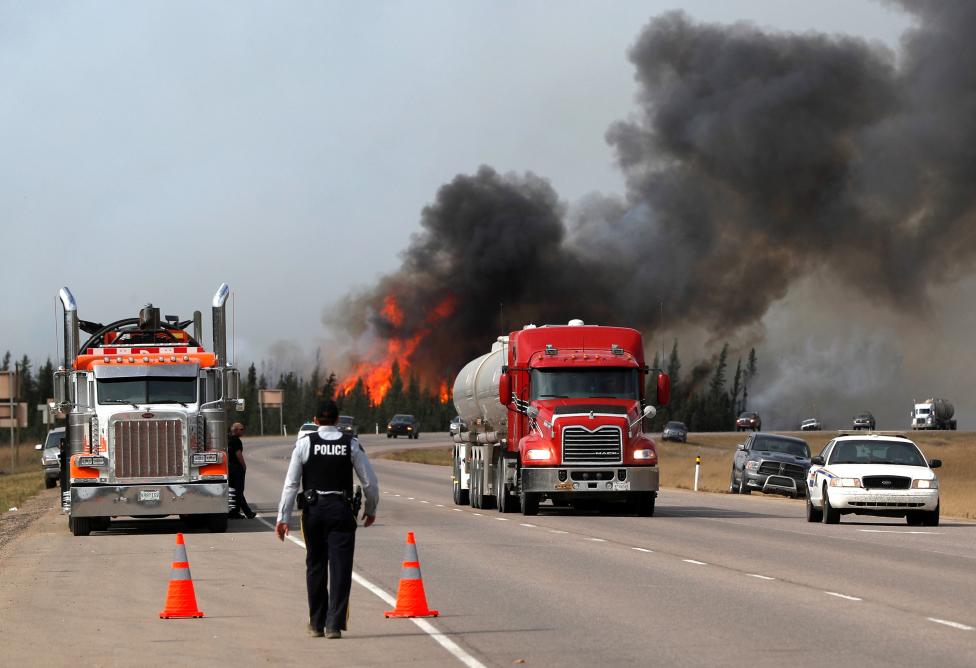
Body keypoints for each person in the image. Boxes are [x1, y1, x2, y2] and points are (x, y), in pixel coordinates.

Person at [276, 399, 378, 639]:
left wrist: (283, 517)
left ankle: (316, 623)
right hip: (341, 510)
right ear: (337, 420)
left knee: (315, 565)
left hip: (313, 511)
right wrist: (371, 508)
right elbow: (369, 482)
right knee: (341, 567)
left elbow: (291, 484)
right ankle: (334, 624)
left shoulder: (304, 443)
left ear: (315, 421)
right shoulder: (350, 443)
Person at [228, 422, 256, 519]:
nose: (243, 431)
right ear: (235, 430)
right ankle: (243, 512)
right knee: (239, 491)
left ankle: (237, 512)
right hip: (236, 468)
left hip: (229, 467)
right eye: (241, 429)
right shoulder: (236, 441)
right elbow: (238, 454)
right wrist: (244, 466)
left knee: (234, 491)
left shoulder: (228, 439)